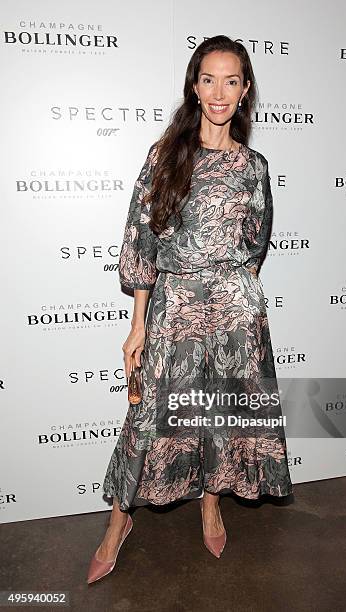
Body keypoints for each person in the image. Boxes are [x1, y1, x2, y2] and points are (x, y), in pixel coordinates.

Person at [87, 34, 293, 584]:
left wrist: (241, 308)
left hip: (233, 313)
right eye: (208, 79)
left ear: (245, 90)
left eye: (231, 80)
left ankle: (210, 502)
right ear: (194, 86)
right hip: (174, 307)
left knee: (217, 415)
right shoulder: (165, 156)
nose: (219, 92)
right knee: (149, 420)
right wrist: (137, 326)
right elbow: (142, 240)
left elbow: (255, 246)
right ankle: (117, 523)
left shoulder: (254, 166)